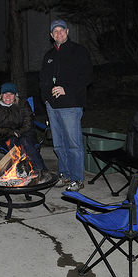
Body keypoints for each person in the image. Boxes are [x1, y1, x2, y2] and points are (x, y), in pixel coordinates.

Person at [39, 19, 93, 192]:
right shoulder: (49, 56)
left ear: (67, 31)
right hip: (52, 106)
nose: (58, 34)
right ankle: (65, 174)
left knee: (73, 143)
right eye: (55, 32)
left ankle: (77, 178)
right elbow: (42, 80)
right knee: (59, 144)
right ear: (51, 35)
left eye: (61, 30)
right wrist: (45, 98)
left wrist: (66, 90)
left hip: (70, 104)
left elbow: (87, 76)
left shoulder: (78, 51)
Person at [0, 82, 48, 171]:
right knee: (13, 143)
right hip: (5, 136)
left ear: (15, 95)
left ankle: (41, 171)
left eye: (11, 94)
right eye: (6, 94)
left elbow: (29, 123)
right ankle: (20, 172)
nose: (8, 96)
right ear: (1, 95)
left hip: (25, 133)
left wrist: (18, 132)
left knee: (25, 142)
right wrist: (10, 132)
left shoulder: (23, 104)